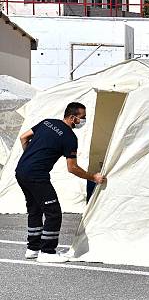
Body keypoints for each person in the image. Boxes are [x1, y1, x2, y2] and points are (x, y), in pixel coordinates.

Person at [15, 102, 106, 263]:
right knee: (53, 212)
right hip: (37, 175)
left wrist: (30, 157)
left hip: (21, 170)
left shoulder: (47, 122)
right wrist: (93, 177)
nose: (83, 120)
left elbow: (24, 137)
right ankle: (47, 252)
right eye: (82, 117)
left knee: (35, 209)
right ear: (72, 117)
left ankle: (33, 249)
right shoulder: (70, 138)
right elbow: (72, 168)